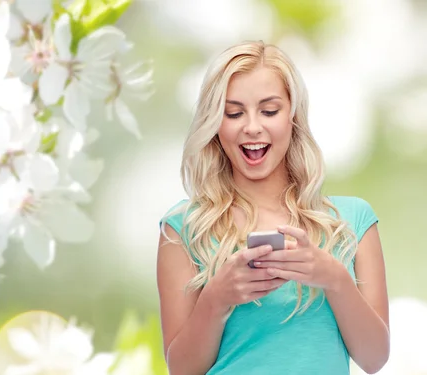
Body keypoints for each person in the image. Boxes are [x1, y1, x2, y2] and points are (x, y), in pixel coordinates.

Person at [156, 40, 390, 375]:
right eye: (234, 113)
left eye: (269, 111)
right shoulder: (183, 228)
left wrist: (333, 278)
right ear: (215, 124)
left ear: (293, 115)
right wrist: (217, 298)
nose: (252, 127)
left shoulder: (352, 222)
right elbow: (181, 370)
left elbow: (375, 358)